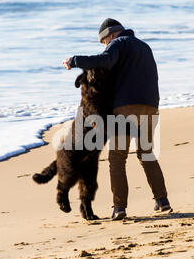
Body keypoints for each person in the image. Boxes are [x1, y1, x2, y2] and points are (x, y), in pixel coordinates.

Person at [62, 18, 171, 220]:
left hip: (127, 107)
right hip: (151, 106)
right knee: (146, 154)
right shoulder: (145, 47)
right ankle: (162, 201)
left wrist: (74, 61)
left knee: (117, 157)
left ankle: (119, 207)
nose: (106, 46)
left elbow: (104, 61)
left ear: (110, 35)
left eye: (104, 43)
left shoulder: (118, 44)